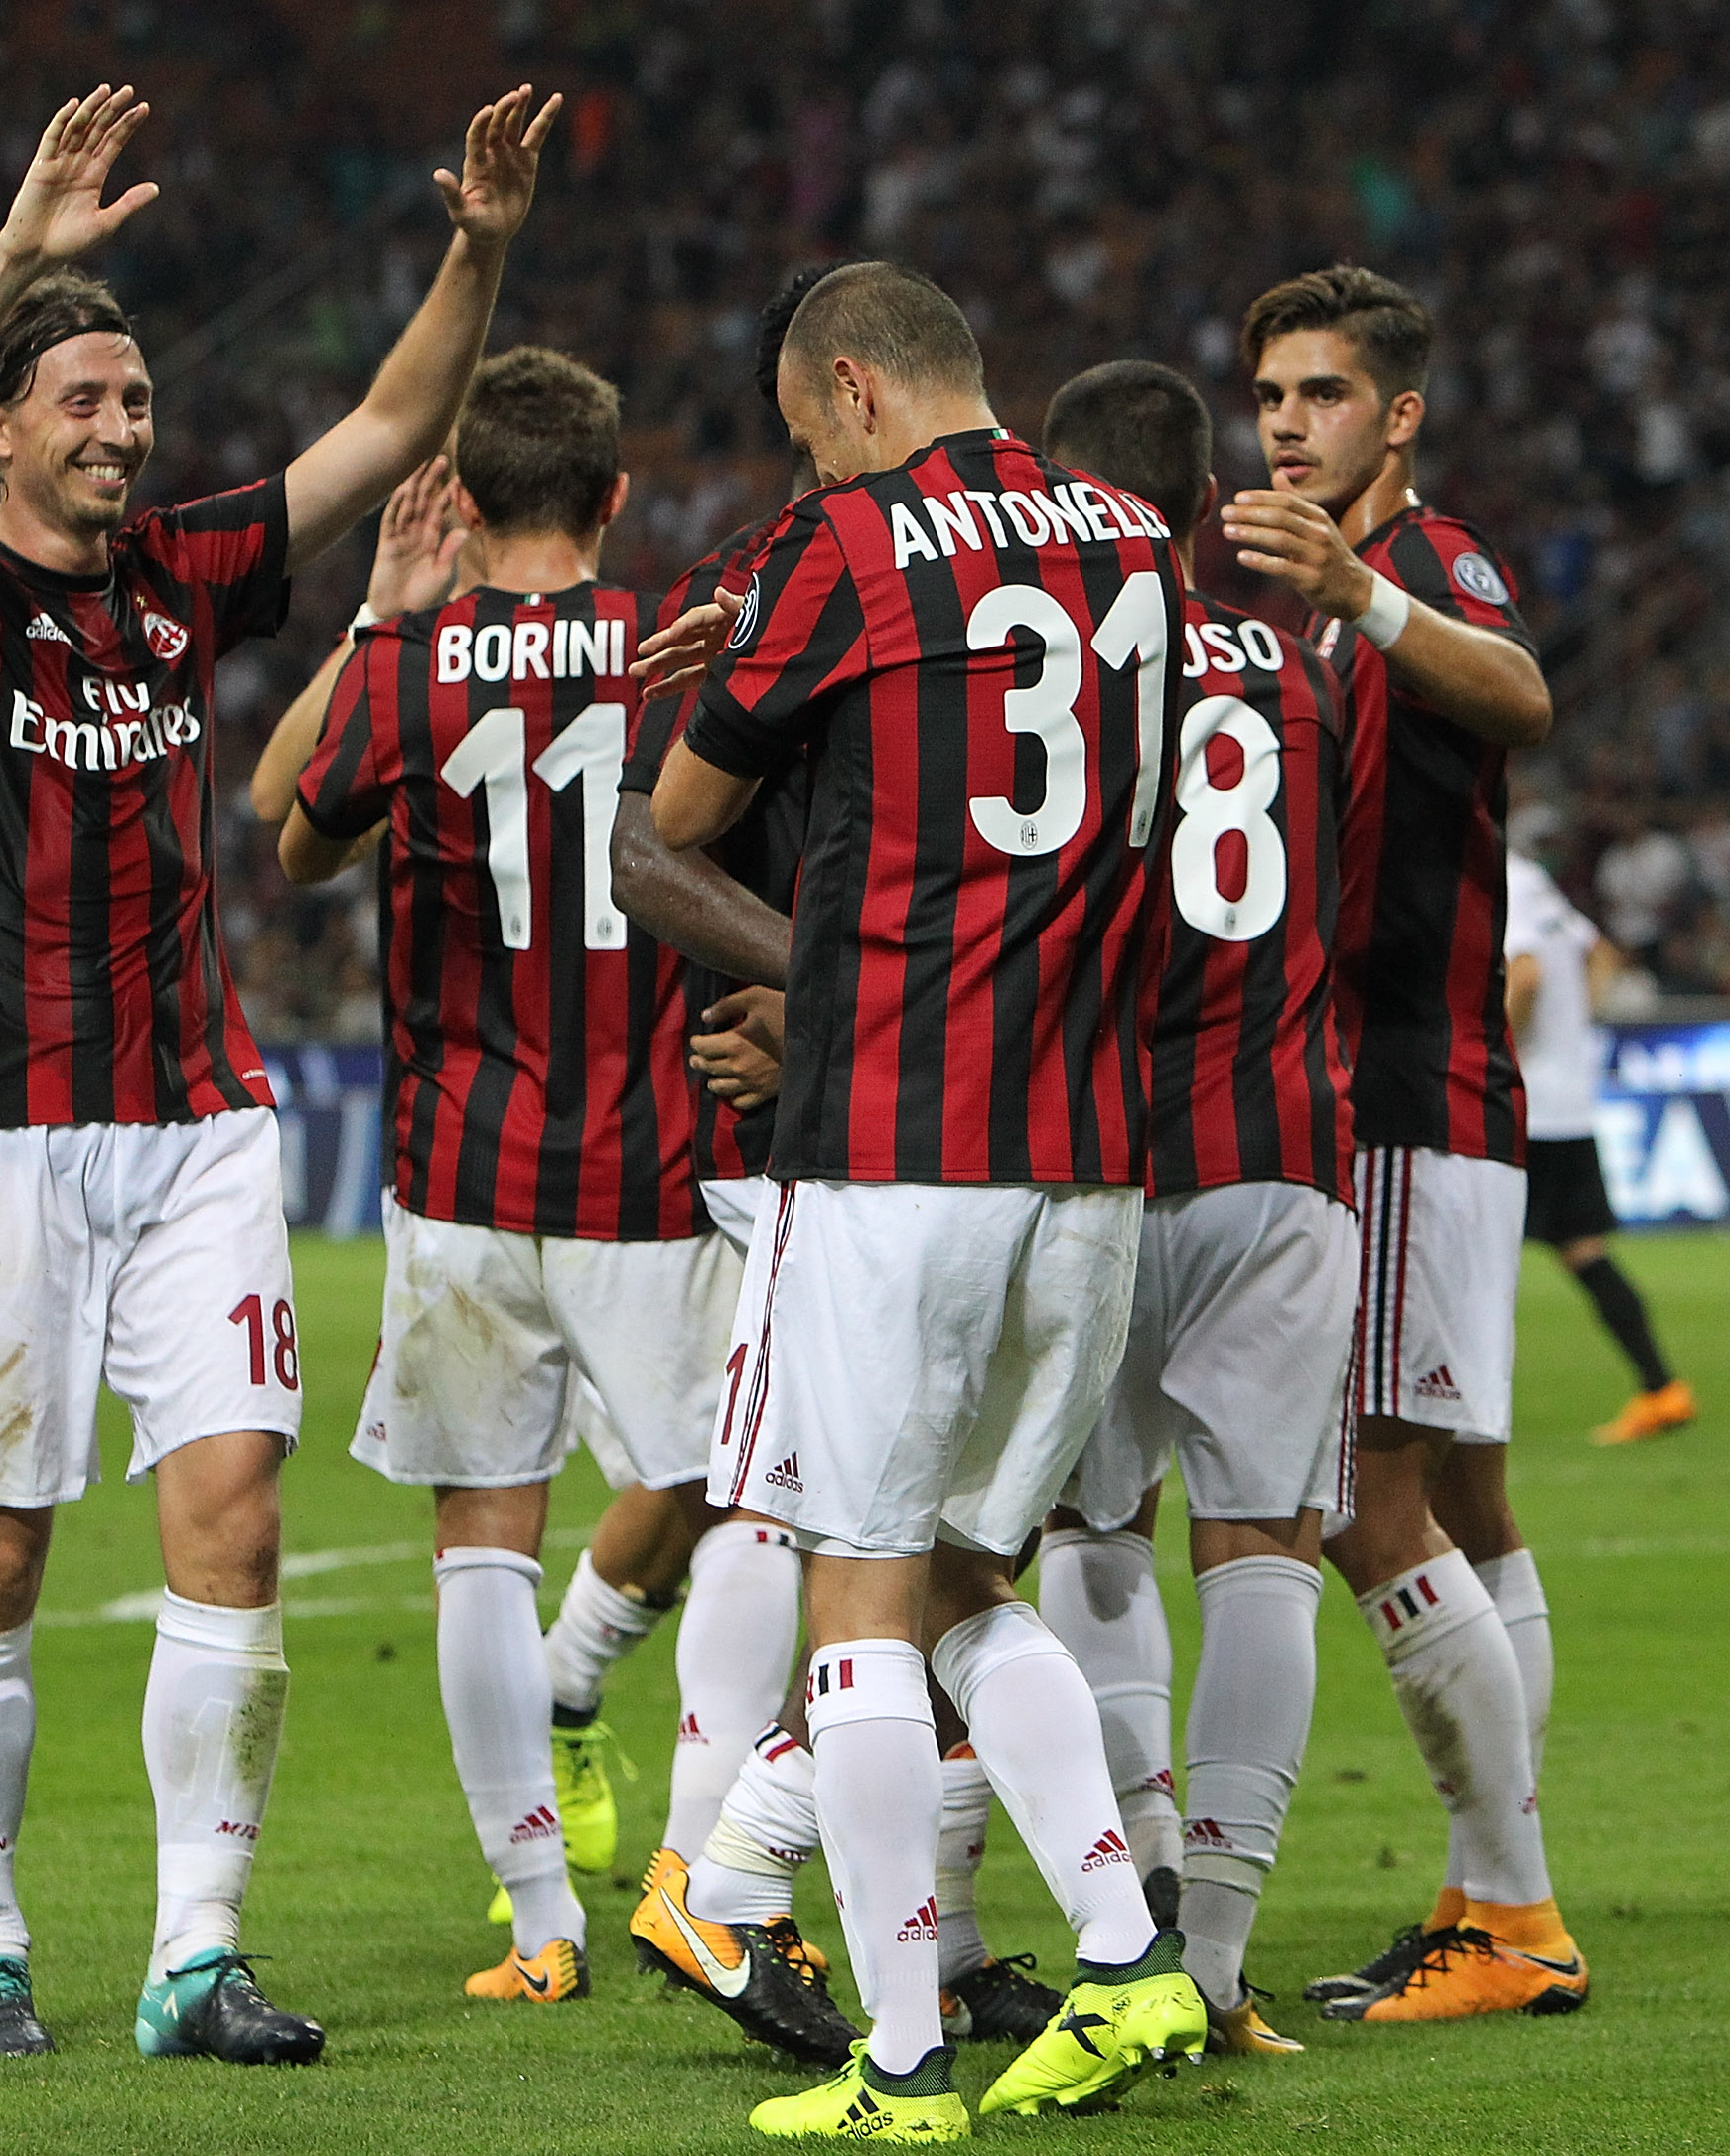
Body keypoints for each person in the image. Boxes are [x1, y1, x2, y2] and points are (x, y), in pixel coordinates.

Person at [0, 79, 556, 2060]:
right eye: (83, 396)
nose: (123, 424)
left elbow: (396, 428)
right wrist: (16, 254)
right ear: (7, 424)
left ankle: (194, 1951)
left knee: (232, 1520)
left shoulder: (185, 573)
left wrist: (479, 247)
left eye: (137, 399)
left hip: (197, 1128)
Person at [648, 261, 1202, 2140]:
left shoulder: (847, 546)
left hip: (900, 1137)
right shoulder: (1132, 533)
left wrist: (754, 665)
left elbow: (677, 823)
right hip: (1094, 1148)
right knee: (975, 1569)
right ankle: (1131, 1964)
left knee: (858, 1600)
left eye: (812, 431)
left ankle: (901, 2065)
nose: (808, 463)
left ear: (860, 390)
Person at [279, 347, 781, 2009]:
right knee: (746, 1503)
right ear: (616, 496)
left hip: (464, 1171)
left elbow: (294, 836)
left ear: (463, 499)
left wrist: (377, 620)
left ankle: (541, 1925)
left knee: (482, 1547)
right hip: (653, 1160)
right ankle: (701, 1874)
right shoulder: (674, 643)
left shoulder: (413, 664)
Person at [613, 264, 1056, 2069]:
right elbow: (662, 852)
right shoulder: (809, 584)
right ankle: (722, 1889)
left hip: (935, 1108)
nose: (811, 476)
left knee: (896, 1539)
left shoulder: (894, 584)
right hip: (857, 1124)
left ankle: (894, 1939)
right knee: (833, 1523)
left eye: (812, 442)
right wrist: (801, 999)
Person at [1219, 264, 1585, 2022]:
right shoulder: (1294, 600)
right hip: (1394, 1101)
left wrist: (1361, 591)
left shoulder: (1423, 571)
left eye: (1323, 396)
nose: (1288, 424)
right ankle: (1484, 1886)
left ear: (1400, 415)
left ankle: (1514, 1911)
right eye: (1271, 396)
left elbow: (1519, 695)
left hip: (1405, 1096)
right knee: (1463, 1494)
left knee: (1365, 1505)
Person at [1025, 360, 1360, 2060]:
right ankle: (1221, 1968)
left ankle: (1141, 1885)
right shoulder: (1301, 671)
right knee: (1264, 1557)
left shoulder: (1051, 659)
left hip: (1096, 1153)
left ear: (1070, 496)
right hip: (1281, 1152)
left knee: (1088, 1537)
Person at [1505, 847, 1694, 1443]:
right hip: (1565, 1102)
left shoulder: (1500, 880)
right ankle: (1663, 1389)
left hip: (1523, 1106)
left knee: (1463, 1255)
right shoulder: (1535, 880)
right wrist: (1574, 1037)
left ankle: (1439, 1408)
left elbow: (1526, 976)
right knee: (1583, 1250)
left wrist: (1488, 1050)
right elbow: (1604, 956)